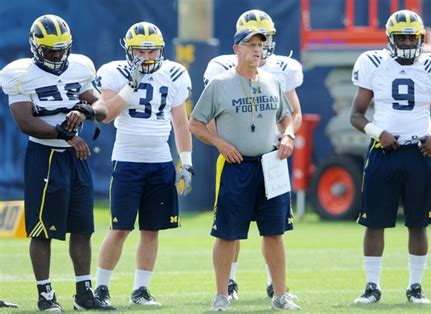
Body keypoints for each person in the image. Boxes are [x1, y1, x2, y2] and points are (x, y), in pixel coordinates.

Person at [0, 14, 115, 311]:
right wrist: (66, 135)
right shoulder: (20, 74)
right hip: (45, 156)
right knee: (43, 229)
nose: (57, 55)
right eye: (50, 50)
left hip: (75, 157)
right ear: (36, 48)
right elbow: (25, 122)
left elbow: (101, 107)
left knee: (83, 227)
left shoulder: (79, 67)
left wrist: (84, 110)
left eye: (61, 49)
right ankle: (45, 294)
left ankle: (84, 293)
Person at [350, 10, 431, 304]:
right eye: (402, 37)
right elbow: (356, 115)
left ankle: (415, 287)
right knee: (374, 222)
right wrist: (378, 133)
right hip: (383, 153)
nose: (408, 42)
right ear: (390, 39)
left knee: (418, 223)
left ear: (421, 38)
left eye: (412, 36)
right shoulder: (374, 64)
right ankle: (372, 287)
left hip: (419, 152)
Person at [189, 27, 301, 311]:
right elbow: (195, 123)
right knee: (227, 233)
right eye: (250, 44)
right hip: (236, 165)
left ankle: (279, 295)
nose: (256, 49)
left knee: (275, 232)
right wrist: (219, 143)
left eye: (260, 45)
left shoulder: (273, 81)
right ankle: (221, 295)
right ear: (236, 48)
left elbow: (287, 117)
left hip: (269, 164)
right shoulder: (219, 83)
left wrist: (288, 135)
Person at [93, 21, 193, 308]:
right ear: (129, 50)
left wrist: (185, 162)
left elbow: (180, 122)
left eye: (152, 51)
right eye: (140, 51)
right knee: (120, 228)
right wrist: (132, 84)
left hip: (160, 161)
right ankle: (101, 288)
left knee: (152, 229)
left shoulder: (174, 73)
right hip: (127, 160)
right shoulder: (114, 72)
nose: (147, 57)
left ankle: (141, 290)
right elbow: (107, 115)